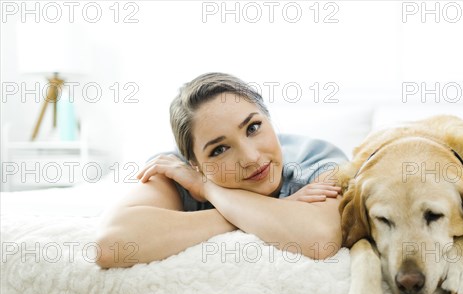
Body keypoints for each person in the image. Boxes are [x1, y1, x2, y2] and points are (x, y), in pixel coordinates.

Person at [95, 72, 348, 268]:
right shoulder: (175, 169)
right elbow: (112, 244)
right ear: (194, 165)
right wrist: (279, 211)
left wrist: (209, 189)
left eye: (253, 128)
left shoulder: (320, 160)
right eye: (219, 150)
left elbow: (320, 239)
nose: (250, 158)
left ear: (269, 119)